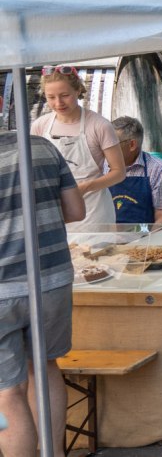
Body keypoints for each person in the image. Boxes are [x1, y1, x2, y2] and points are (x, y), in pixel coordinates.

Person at [0, 131, 84, 454]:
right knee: (46, 366)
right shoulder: (42, 146)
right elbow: (76, 210)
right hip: (51, 278)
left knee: (8, 392)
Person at [32, 66, 125, 229]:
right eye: (51, 97)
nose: (58, 103)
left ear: (77, 90)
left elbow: (119, 172)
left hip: (94, 213)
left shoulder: (99, 125)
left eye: (64, 95)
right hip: (55, 211)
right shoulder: (40, 126)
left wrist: (85, 187)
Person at [108, 116, 162, 225]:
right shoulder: (101, 167)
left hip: (142, 237)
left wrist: (147, 242)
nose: (106, 148)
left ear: (132, 145)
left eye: (112, 143)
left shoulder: (159, 169)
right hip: (105, 237)